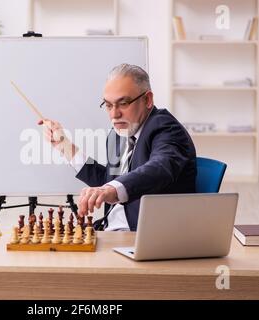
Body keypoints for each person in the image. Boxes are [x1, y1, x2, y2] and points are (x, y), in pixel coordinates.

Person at [38, 63, 197, 231]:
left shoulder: (166, 129)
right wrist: (65, 146)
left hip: (145, 237)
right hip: (110, 231)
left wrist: (110, 189)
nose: (114, 115)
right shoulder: (117, 135)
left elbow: (160, 167)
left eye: (123, 103)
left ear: (147, 100)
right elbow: (108, 183)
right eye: (108, 105)